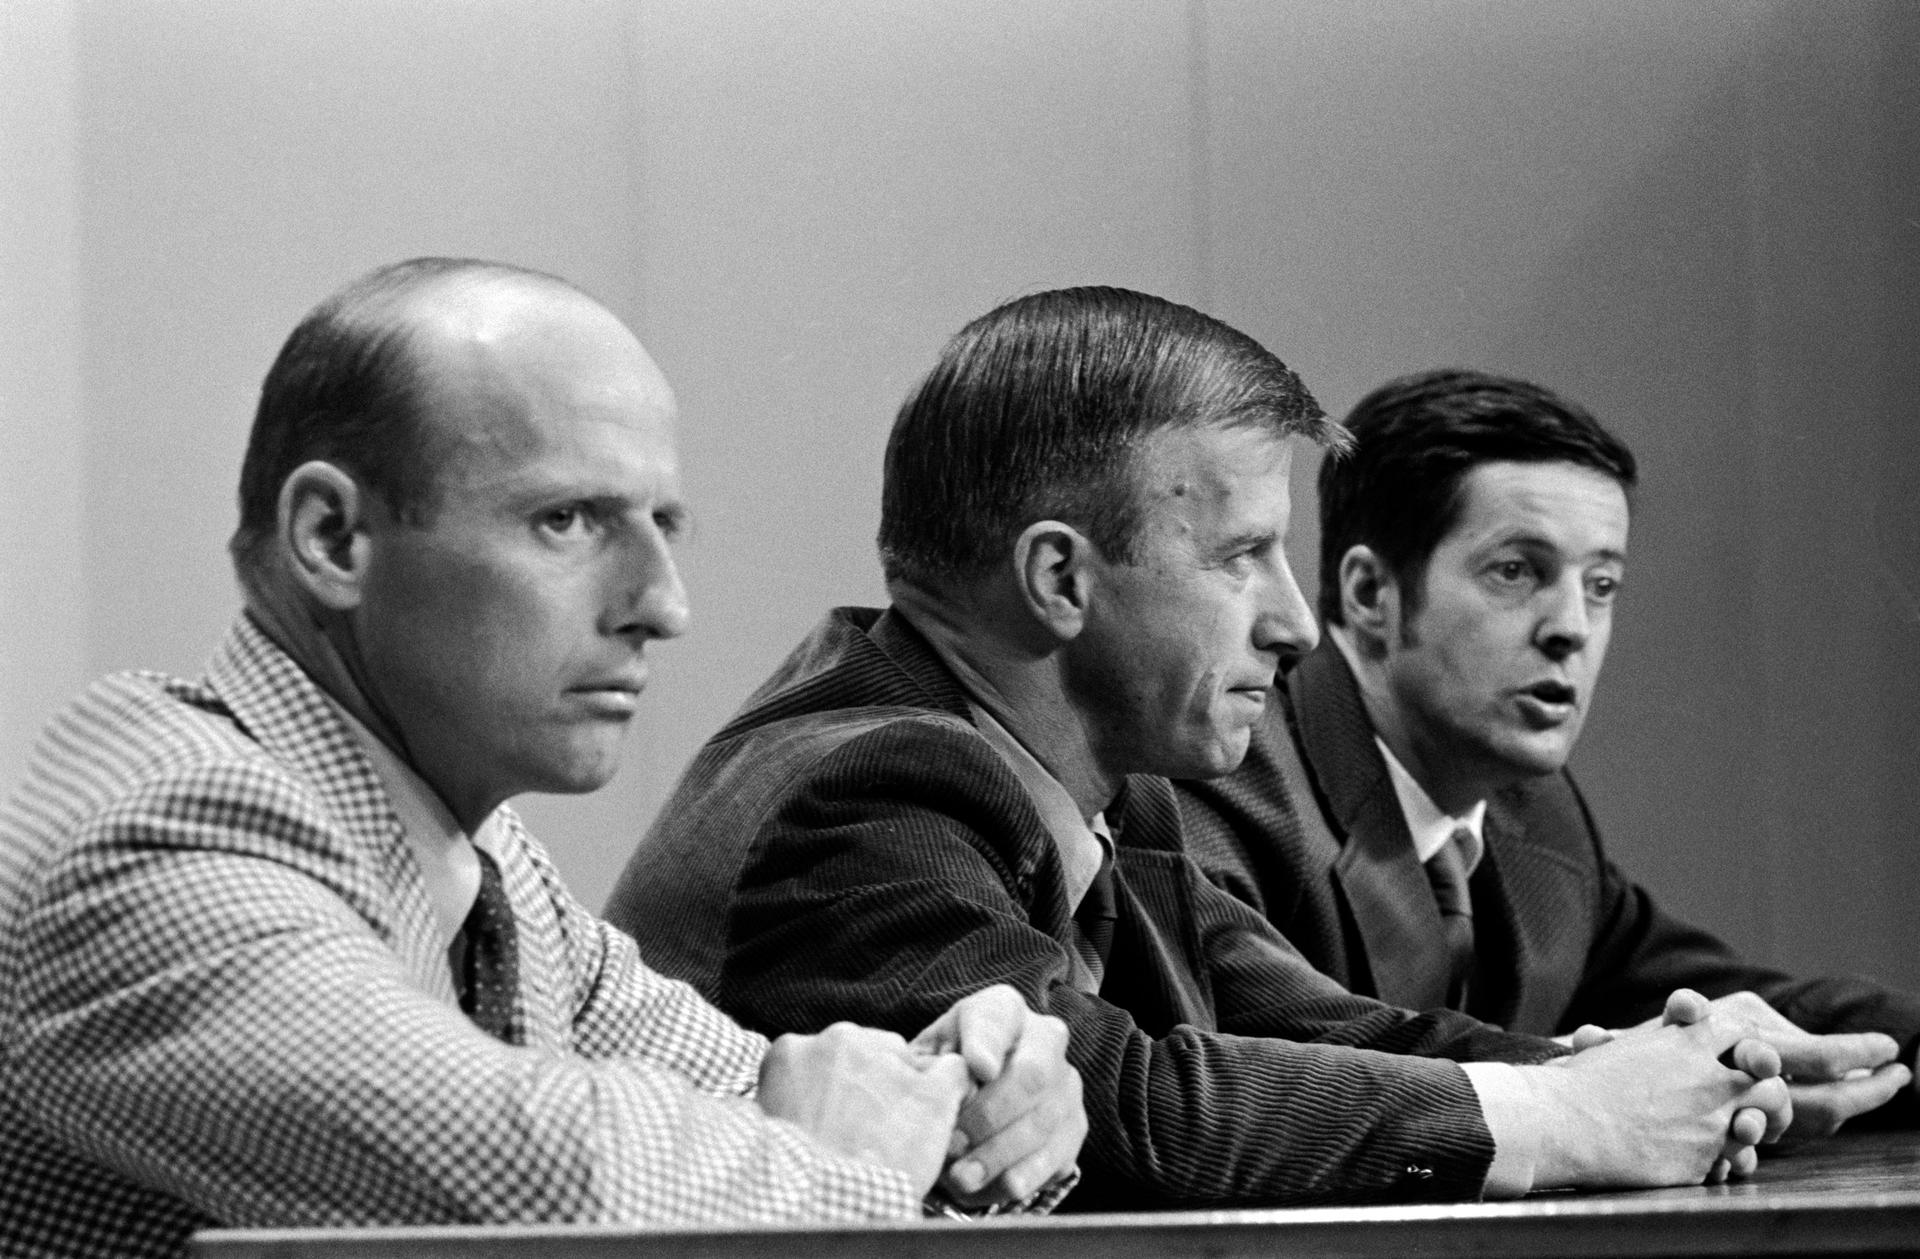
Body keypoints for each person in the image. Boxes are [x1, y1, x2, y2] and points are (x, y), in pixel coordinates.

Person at [606, 287, 1795, 1213]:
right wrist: (1577, 1118)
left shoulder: (1105, 779)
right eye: (1242, 556)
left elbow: (1322, 1032)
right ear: (1061, 577)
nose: (1296, 622)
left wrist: (1663, 1075)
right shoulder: (863, 789)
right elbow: (1133, 1106)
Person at [0, 258, 1084, 1258]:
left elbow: (747, 1103)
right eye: (567, 520)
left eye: (664, 523)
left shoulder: (487, 858)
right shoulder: (154, 841)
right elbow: (554, 1186)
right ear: (333, 538)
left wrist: (968, 1094)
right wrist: (843, 1158)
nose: (664, 604)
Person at [1176, 367, 1919, 1137]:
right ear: (1371, 594)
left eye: (1601, 584)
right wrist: (1644, 1080)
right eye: (1517, 571)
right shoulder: (1231, 773)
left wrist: (1894, 1045)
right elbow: (1297, 1058)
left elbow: (1735, 1004)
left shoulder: (1536, 812)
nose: (1572, 626)